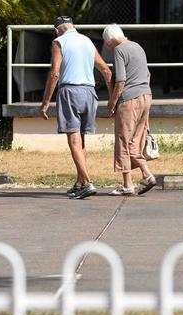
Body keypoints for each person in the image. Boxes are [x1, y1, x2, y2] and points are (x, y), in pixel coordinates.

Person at [40, 16, 112, 199]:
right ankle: (80, 182)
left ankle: (87, 182)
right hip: (89, 93)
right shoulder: (87, 40)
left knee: (73, 140)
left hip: (70, 91)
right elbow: (105, 70)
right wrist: (113, 98)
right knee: (81, 141)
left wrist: (46, 101)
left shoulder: (58, 42)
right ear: (73, 26)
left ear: (57, 30)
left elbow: (55, 73)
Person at [102, 24, 156, 196]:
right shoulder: (138, 47)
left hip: (129, 100)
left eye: (107, 44)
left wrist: (112, 102)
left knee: (123, 141)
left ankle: (128, 184)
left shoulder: (119, 50)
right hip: (146, 96)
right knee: (135, 141)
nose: (108, 47)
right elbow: (147, 75)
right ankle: (147, 175)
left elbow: (120, 81)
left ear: (111, 40)